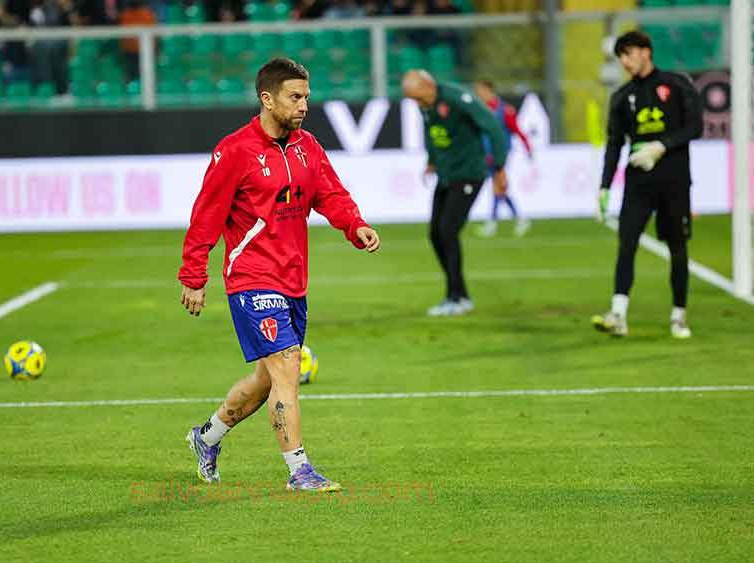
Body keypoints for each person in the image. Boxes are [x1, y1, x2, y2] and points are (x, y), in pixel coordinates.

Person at [178, 58, 381, 492]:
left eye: (306, 96)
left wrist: (355, 225)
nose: (304, 105)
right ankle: (299, 470)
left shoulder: (308, 146)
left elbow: (331, 194)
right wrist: (194, 276)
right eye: (295, 96)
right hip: (251, 278)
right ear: (267, 99)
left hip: (293, 279)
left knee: (267, 379)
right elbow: (206, 215)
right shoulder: (235, 151)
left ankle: (206, 437)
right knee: (288, 365)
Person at [593, 30, 703, 339]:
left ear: (645, 51)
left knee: (677, 246)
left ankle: (679, 315)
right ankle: (618, 314)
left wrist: (661, 146)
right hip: (638, 183)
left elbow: (695, 126)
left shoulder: (676, 84)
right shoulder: (621, 96)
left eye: (628, 54)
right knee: (627, 243)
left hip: (674, 180)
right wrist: (604, 186)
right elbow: (614, 144)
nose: (625, 62)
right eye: (621, 57)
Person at [402, 69, 507, 317]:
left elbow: (492, 126)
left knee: (448, 231)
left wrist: (499, 167)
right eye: (414, 100)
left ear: (429, 85)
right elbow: (432, 132)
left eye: (419, 98)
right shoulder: (426, 105)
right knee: (435, 234)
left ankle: (456, 297)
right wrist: (431, 160)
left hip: (469, 173)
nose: (418, 104)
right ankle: (459, 294)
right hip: (446, 174)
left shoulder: (458, 98)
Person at [473, 79, 533, 238]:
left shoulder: (504, 110)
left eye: (480, 91)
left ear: (489, 90)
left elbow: (517, 130)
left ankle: (493, 223)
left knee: (498, 186)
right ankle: (519, 219)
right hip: (487, 155)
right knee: (499, 187)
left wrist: (527, 147)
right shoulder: (481, 110)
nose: (478, 94)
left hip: (500, 154)